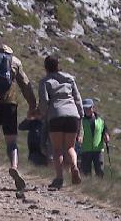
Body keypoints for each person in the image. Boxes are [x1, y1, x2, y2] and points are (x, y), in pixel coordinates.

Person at [0, 35, 38, 192]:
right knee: (12, 141)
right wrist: (32, 104)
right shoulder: (14, 61)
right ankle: (14, 166)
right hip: (10, 104)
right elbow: (25, 84)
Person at [38, 55, 84, 190]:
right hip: (72, 114)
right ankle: (74, 166)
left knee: (57, 149)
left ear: (46, 67)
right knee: (70, 147)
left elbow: (44, 102)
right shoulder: (70, 79)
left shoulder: (45, 81)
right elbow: (78, 99)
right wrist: (80, 115)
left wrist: (44, 114)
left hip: (56, 114)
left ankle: (59, 179)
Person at [79, 99, 110, 178]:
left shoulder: (100, 120)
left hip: (98, 150)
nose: (87, 110)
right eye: (85, 108)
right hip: (85, 149)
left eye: (89, 108)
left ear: (93, 107)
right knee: (85, 173)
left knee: (100, 171)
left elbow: (105, 130)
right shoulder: (81, 121)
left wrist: (106, 135)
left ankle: (98, 187)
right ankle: (85, 188)